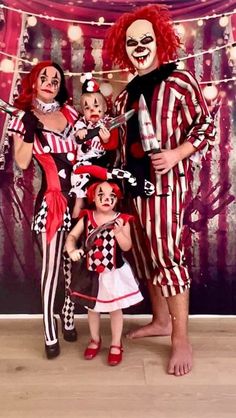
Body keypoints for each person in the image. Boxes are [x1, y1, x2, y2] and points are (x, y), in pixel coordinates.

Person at [106, 4, 215, 375]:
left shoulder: (181, 81)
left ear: (159, 41)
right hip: (131, 188)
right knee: (144, 254)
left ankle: (180, 338)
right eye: (132, 42)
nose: (139, 47)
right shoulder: (123, 96)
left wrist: (177, 153)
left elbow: (205, 126)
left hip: (166, 185)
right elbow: (117, 145)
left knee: (168, 255)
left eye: (146, 40)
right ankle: (161, 320)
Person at [8, 61, 79, 359]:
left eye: (56, 79)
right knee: (50, 268)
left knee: (73, 264)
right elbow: (23, 163)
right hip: (51, 201)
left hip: (79, 197)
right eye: (44, 77)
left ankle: (69, 314)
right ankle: (49, 329)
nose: (50, 82)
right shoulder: (23, 118)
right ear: (34, 82)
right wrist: (28, 133)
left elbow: (88, 149)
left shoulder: (72, 114)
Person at [65, 167, 143, 366]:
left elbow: (127, 246)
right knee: (93, 309)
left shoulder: (121, 220)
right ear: (93, 197)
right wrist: (72, 249)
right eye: (101, 195)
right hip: (92, 274)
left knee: (116, 309)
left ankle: (116, 343)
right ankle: (95, 339)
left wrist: (118, 233)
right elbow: (72, 236)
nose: (107, 199)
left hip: (114, 273)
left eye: (111, 195)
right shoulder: (87, 217)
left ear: (117, 198)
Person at [71, 77, 118, 218]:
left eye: (97, 106)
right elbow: (76, 137)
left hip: (102, 162)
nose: (93, 110)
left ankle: (101, 218)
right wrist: (80, 134)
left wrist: (106, 139)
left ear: (104, 108)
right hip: (84, 163)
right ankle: (76, 219)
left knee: (102, 192)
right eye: (87, 108)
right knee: (79, 192)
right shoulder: (82, 124)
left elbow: (113, 145)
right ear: (83, 112)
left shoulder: (108, 123)